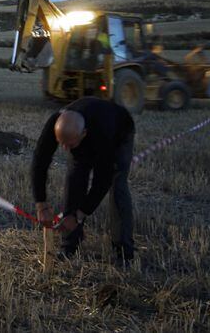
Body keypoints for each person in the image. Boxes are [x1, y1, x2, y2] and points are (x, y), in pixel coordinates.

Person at [31, 96, 135, 266]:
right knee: (74, 179)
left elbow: (103, 180)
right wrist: (40, 203)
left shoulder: (103, 133)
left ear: (83, 133)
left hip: (120, 132)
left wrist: (80, 214)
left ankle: (124, 252)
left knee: (118, 186)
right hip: (85, 131)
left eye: (69, 145)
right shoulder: (56, 123)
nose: (64, 149)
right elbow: (40, 161)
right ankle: (70, 244)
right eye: (61, 143)